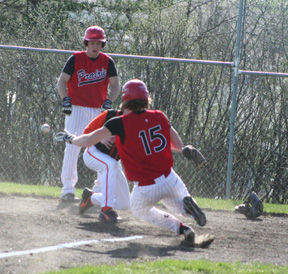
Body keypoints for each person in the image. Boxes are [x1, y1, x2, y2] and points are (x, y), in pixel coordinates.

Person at [55, 79, 214, 247]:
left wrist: (70, 138)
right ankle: (189, 208)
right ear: (147, 99)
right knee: (182, 207)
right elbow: (176, 145)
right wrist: (186, 150)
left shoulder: (119, 123)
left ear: (125, 101)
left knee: (138, 209)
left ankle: (181, 229)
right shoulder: (159, 115)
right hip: (169, 178)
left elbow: (87, 140)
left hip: (146, 188)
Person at [57, 25, 120, 202]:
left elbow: (115, 85)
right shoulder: (75, 59)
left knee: (103, 148)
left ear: (102, 45)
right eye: (92, 42)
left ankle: (97, 192)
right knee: (72, 147)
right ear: (86, 43)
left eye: (98, 43)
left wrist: (109, 101)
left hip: (99, 111)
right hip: (76, 107)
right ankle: (68, 191)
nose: (95, 46)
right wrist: (65, 99)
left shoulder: (108, 61)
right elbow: (62, 81)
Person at [79, 109, 131, 223]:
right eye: (131, 105)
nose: (134, 110)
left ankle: (90, 198)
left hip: (113, 162)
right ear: (125, 105)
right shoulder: (110, 115)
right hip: (93, 152)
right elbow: (86, 132)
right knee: (110, 164)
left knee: (125, 204)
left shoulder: (138, 125)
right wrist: (101, 138)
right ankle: (106, 210)